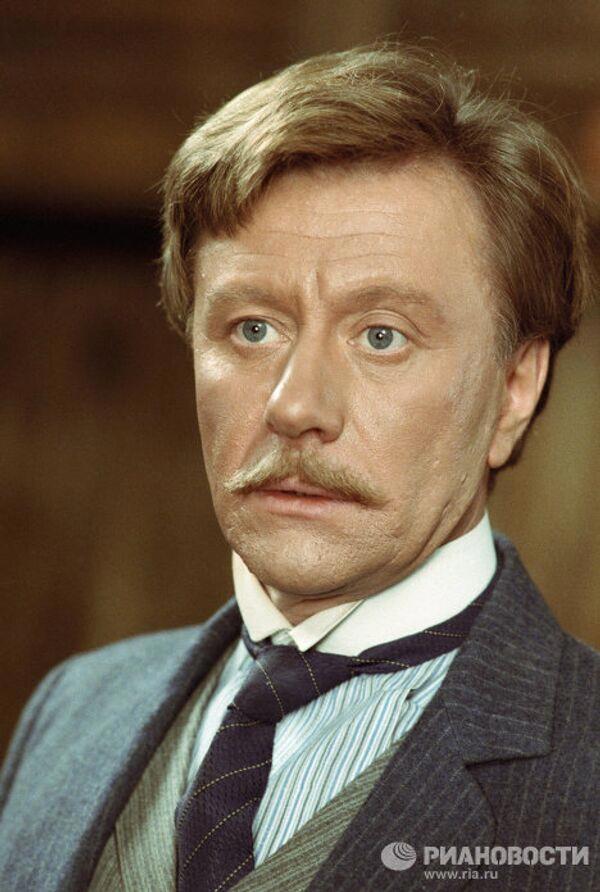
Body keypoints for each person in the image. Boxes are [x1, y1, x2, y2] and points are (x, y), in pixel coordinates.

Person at [0, 42, 598, 891]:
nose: (294, 405)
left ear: (513, 389)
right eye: (253, 328)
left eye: (382, 336)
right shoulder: (71, 713)